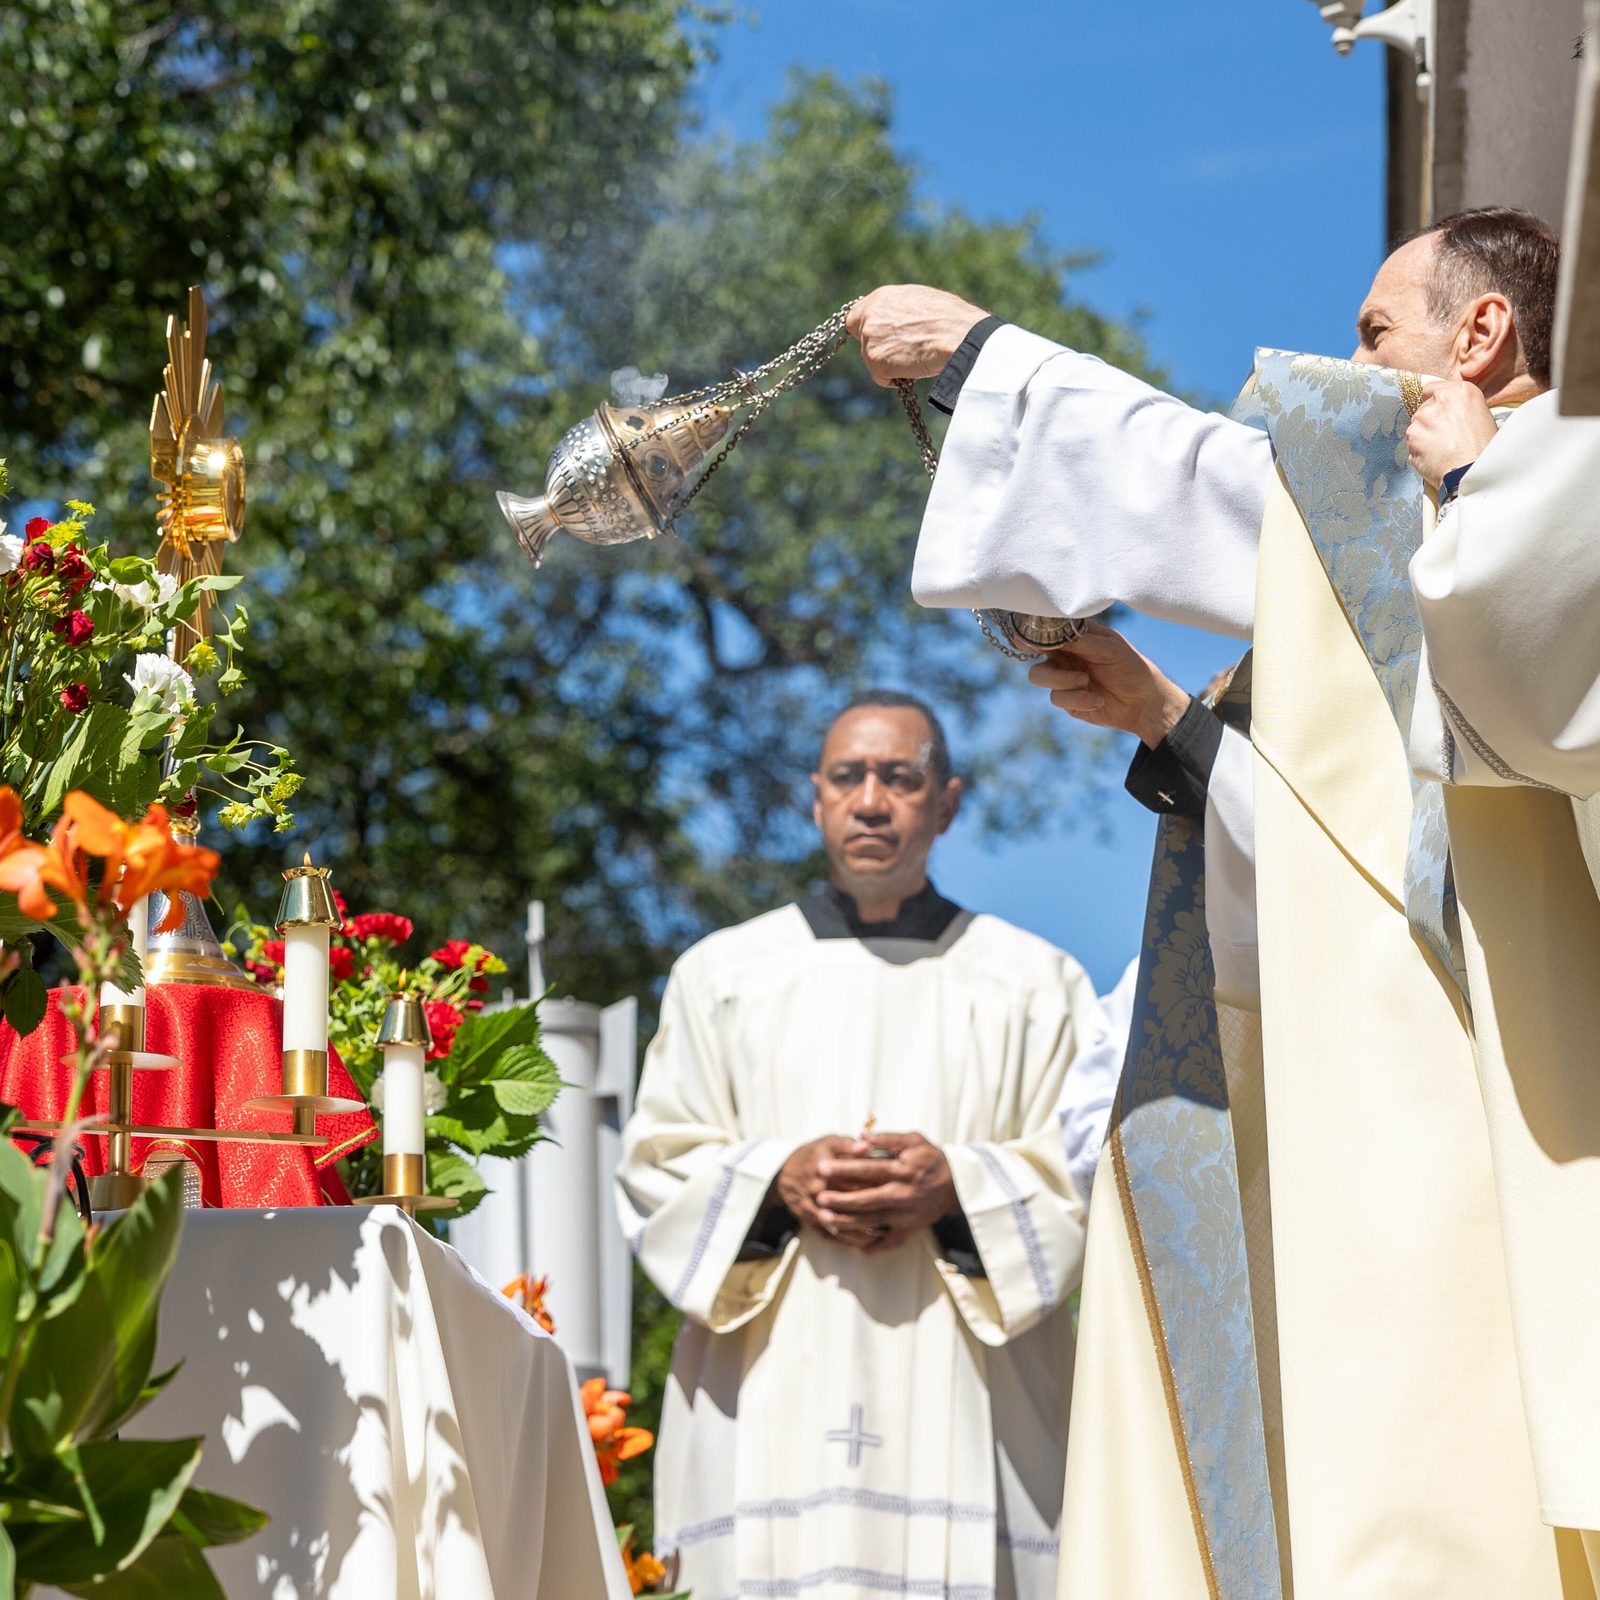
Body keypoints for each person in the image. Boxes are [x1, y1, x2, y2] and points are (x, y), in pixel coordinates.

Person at [847, 209, 1588, 1599]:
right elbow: (1373, 861)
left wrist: (982, 362)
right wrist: (1178, 730)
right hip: (1452, 1106)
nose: (1343, 362)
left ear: (1480, 337)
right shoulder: (1458, 523)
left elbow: (1224, 490)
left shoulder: (1545, 483)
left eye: (1375, 332)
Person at [616, 689, 1099, 1600]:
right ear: (816, 796)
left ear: (946, 802)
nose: (870, 800)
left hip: (974, 1405)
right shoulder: (724, 974)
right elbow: (655, 1169)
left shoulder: (1034, 983)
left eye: (898, 778)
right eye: (848, 777)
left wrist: (958, 1185)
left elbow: (1090, 1185)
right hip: (766, 1399)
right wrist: (776, 1177)